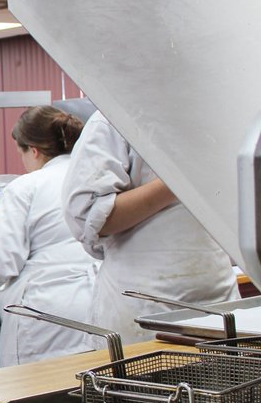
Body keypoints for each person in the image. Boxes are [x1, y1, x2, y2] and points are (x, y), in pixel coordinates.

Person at [62, 110, 239, 345]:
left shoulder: (218, 113)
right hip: (144, 307)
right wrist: (179, 180)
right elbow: (93, 219)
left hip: (219, 299)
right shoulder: (114, 118)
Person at [0, 107, 97, 365]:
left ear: (34, 150)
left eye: (21, 153)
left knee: (36, 399)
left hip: (46, 315)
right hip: (97, 304)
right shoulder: (94, 178)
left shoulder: (26, 186)